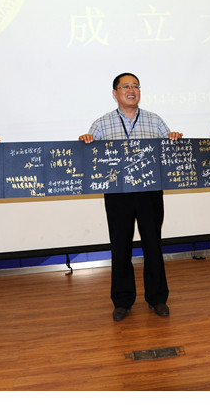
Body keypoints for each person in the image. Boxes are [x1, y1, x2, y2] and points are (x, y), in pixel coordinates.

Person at [78, 72, 183, 321]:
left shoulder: (154, 121)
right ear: (115, 93)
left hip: (149, 193)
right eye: (125, 86)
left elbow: (169, 153)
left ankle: (157, 298)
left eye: (135, 86)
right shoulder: (102, 124)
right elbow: (90, 159)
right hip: (118, 195)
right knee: (120, 246)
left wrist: (173, 139)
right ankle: (122, 301)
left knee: (153, 245)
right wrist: (86, 141)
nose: (131, 90)